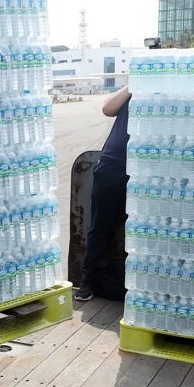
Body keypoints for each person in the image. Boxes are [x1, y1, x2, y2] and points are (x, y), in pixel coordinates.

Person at [74, 84, 132, 301]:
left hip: (148, 167)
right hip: (114, 163)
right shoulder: (137, 88)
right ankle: (88, 281)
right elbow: (107, 108)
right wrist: (135, 80)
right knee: (100, 226)